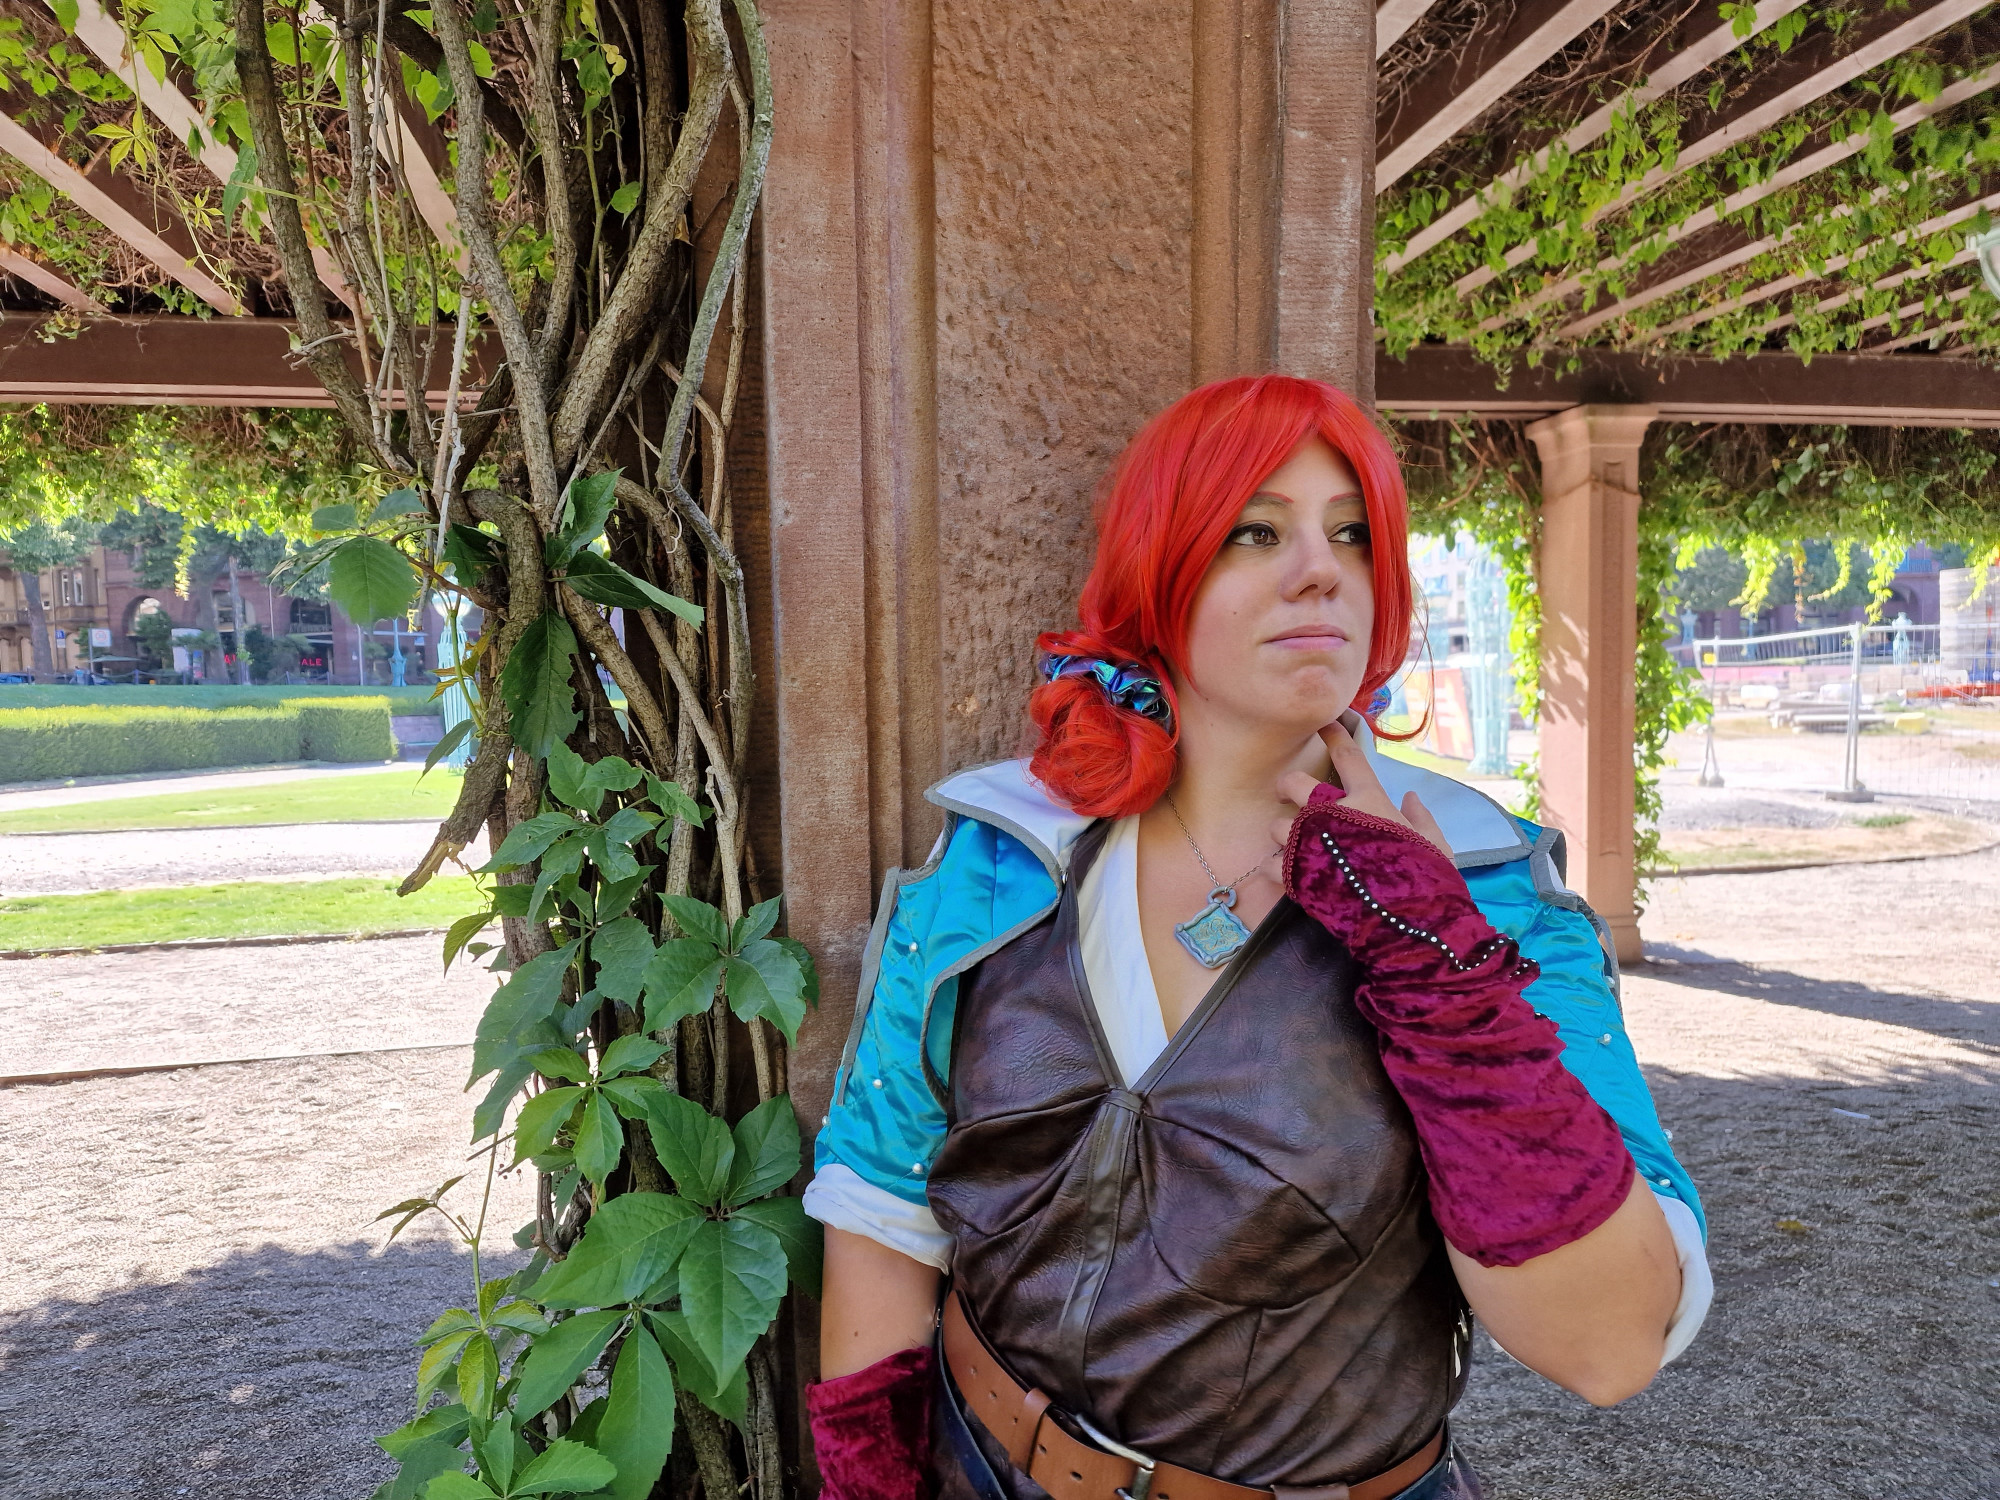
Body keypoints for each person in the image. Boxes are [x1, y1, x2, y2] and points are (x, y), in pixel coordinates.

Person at [802, 375, 1710, 1500]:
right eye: (1256, 531)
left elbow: (1608, 1346)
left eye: (1353, 534)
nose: (1322, 569)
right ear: (1159, 572)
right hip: (978, 1468)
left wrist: (1429, 956)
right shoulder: (999, 860)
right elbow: (882, 1220)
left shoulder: (1492, 895)